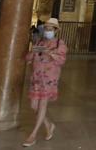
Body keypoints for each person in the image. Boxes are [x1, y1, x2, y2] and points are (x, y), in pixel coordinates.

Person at [23, 17, 67, 147]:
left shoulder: (60, 43)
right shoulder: (39, 42)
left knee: (42, 105)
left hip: (49, 79)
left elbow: (62, 60)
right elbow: (28, 58)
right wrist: (33, 52)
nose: (48, 31)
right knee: (33, 106)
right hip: (37, 78)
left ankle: (33, 135)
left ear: (55, 30)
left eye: (50, 29)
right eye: (46, 28)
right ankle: (48, 125)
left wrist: (50, 53)